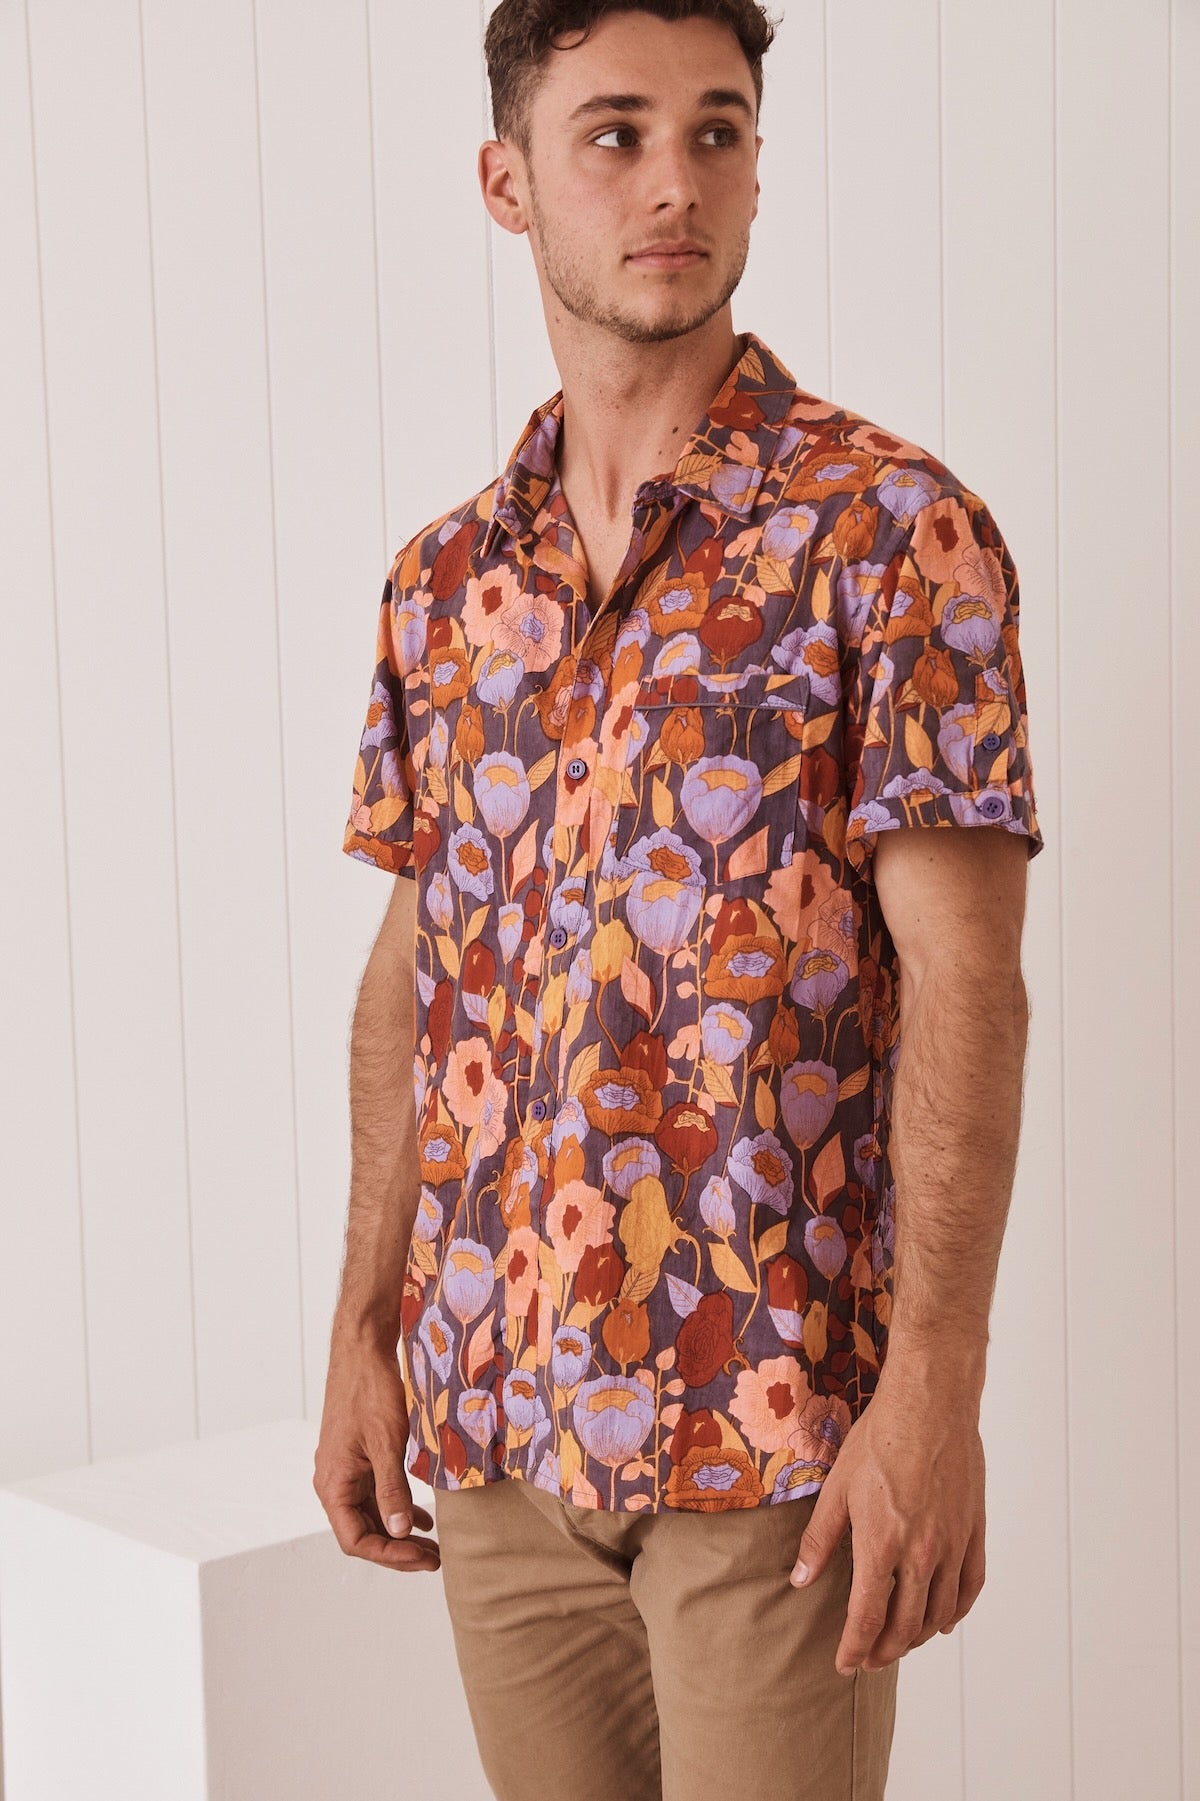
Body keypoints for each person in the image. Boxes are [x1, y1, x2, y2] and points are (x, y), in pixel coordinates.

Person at [313, 2, 1045, 1795]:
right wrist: (361, 1328)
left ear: (758, 170)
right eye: (615, 133)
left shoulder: (891, 532)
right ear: (508, 182)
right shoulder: (444, 584)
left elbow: (970, 982)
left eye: (718, 132)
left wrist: (936, 1389)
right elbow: (415, 968)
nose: (674, 184)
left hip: (773, 1433)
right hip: (498, 1436)